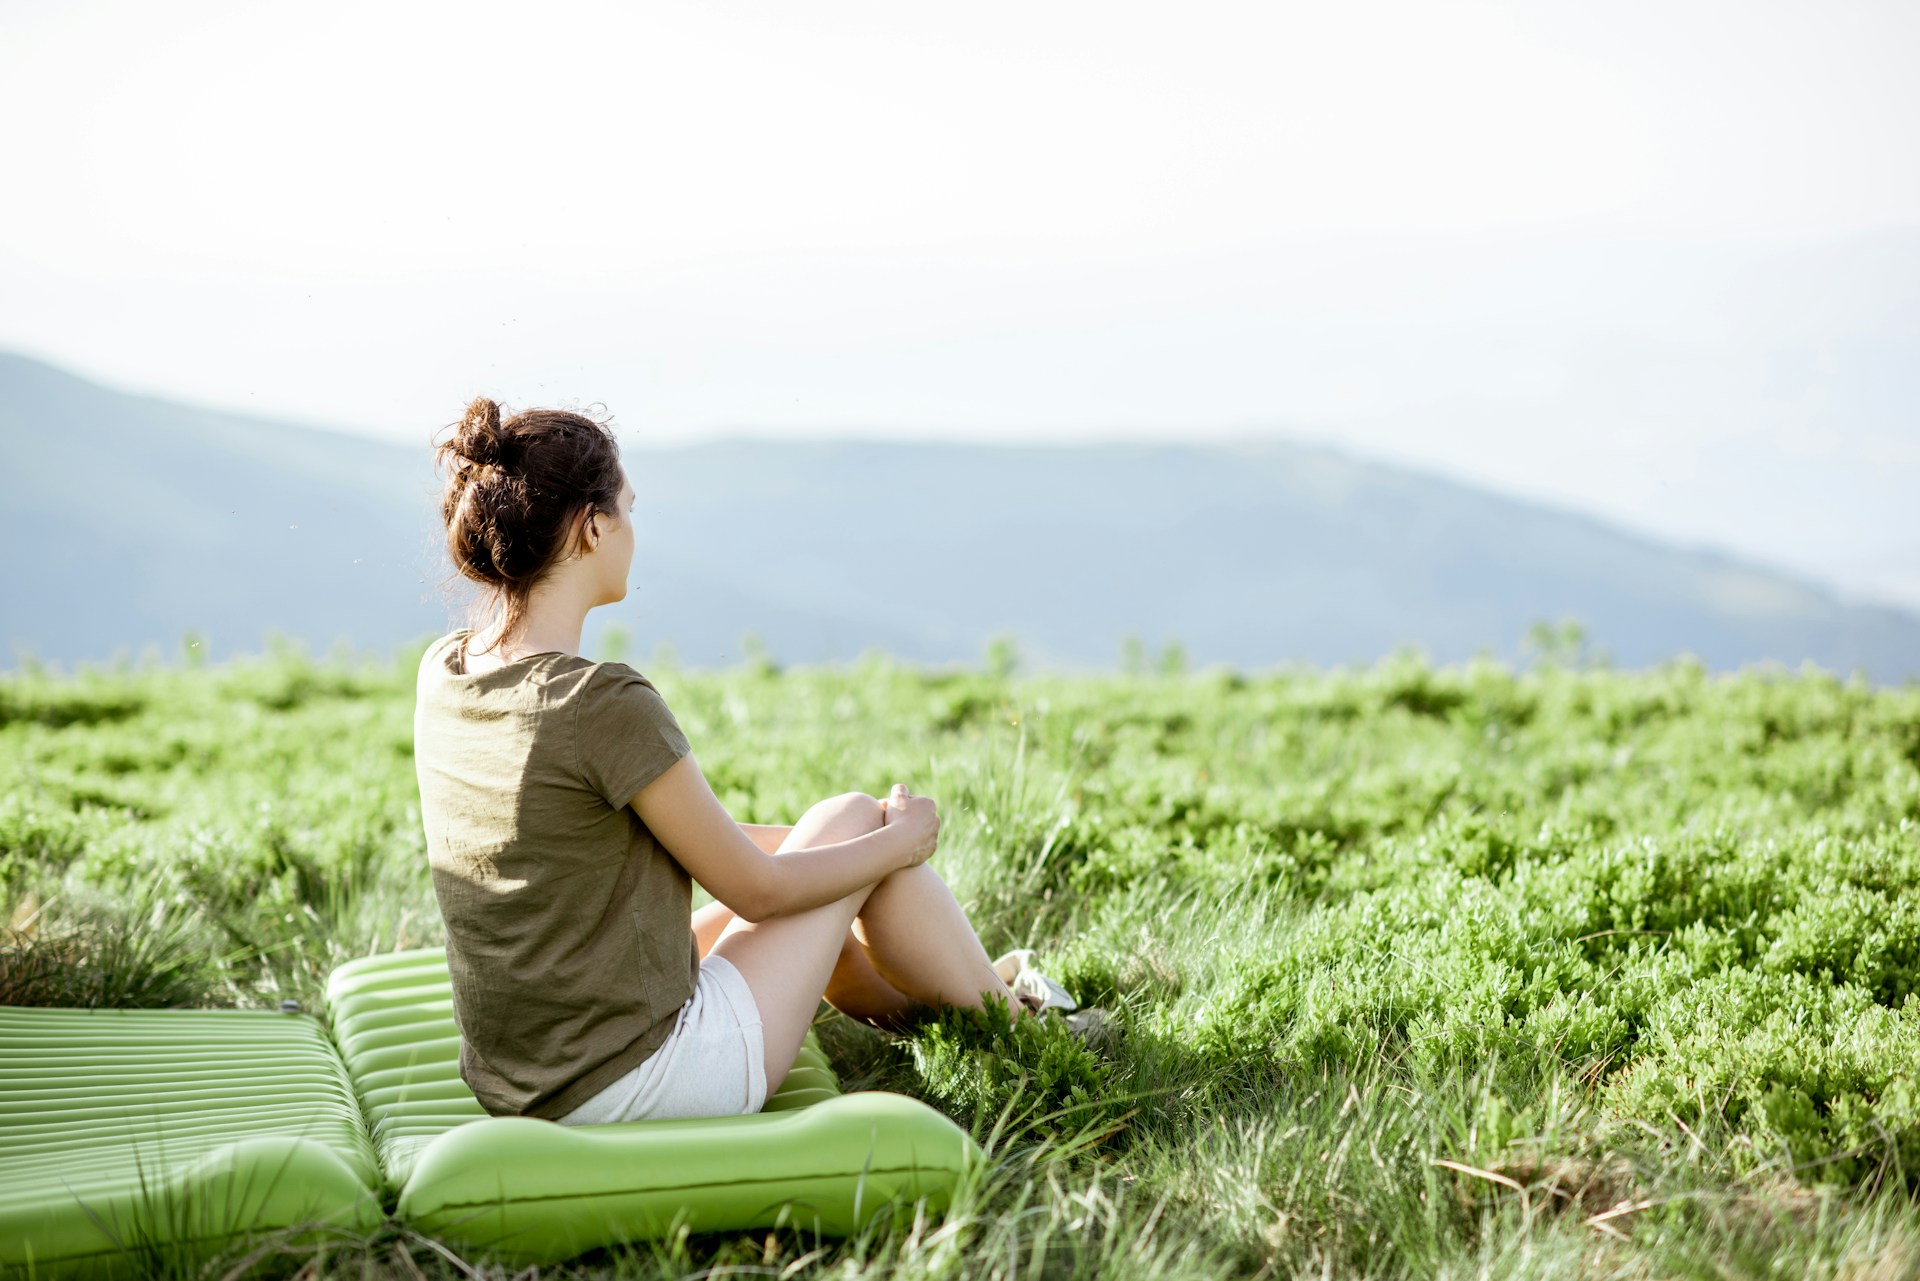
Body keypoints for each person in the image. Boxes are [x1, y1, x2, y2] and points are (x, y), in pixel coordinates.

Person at [411, 396, 1079, 1127]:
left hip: (524, 1069)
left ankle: (966, 1011)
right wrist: (899, 840)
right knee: (856, 823)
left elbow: (699, 843)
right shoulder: (599, 702)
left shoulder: (448, 672)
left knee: (847, 839)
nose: (633, 530)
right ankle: (1022, 1027)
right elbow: (759, 891)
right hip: (631, 1080)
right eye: (627, 510)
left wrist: (859, 847)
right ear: (592, 525)